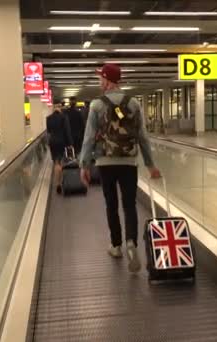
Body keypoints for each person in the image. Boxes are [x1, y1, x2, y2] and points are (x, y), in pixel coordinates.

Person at [79, 63, 161, 273]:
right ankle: (131, 242)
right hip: (128, 162)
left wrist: (84, 165)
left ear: (107, 81)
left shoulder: (97, 105)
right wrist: (151, 165)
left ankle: (116, 246)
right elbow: (142, 136)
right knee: (129, 205)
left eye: (101, 78)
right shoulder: (133, 103)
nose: (99, 81)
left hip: (105, 163)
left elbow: (89, 138)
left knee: (111, 205)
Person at [46, 99, 73, 194]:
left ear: (53, 107)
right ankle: (60, 182)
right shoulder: (63, 117)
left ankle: (57, 183)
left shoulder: (48, 118)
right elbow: (67, 131)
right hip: (62, 142)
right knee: (61, 161)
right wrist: (70, 144)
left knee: (56, 162)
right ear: (60, 107)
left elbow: (48, 131)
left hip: (53, 142)